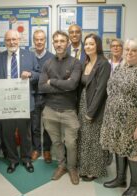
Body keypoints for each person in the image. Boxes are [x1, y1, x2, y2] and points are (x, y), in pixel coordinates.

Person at [100, 37, 137, 196]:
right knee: (119, 148)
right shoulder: (121, 67)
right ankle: (120, 179)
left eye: (134, 50)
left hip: (134, 121)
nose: (129, 53)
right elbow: (110, 87)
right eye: (127, 50)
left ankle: (135, 186)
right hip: (115, 119)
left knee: (134, 152)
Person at [0, 30, 40, 174]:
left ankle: (26, 159)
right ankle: (12, 160)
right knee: (7, 133)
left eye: (14, 39)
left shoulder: (30, 56)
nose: (11, 42)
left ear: (20, 40)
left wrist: (30, 74)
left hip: (24, 101)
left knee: (25, 133)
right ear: (4, 41)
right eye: (8, 40)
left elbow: (39, 74)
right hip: (5, 102)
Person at [39, 30, 82, 185]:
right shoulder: (47, 63)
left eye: (62, 41)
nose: (59, 44)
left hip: (69, 111)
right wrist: (63, 84)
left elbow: (72, 84)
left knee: (71, 143)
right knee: (56, 142)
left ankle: (72, 168)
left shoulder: (75, 63)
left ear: (68, 43)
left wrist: (53, 81)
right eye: (56, 41)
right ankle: (62, 165)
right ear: (53, 43)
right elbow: (42, 87)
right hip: (50, 110)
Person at [77, 33, 111, 181]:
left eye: (91, 44)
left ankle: (95, 169)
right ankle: (85, 167)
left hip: (95, 106)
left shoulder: (103, 63)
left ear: (97, 45)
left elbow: (101, 90)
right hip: (83, 103)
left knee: (94, 139)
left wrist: (91, 112)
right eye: (86, 44)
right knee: (84, 138)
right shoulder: (86, 62)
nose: (88, 46)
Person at [30, 29, 54, 163]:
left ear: (45, 41)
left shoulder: (52, 57)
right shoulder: (29, 56)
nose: (39, 42)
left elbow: (52, 78)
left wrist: (35, 75)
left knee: (48, 125)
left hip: (47, 96)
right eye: (36, 39)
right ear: (33, 41)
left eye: (42, 39)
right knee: (34, 126)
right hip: (33, 95)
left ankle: (47, 150)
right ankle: (36, 149)